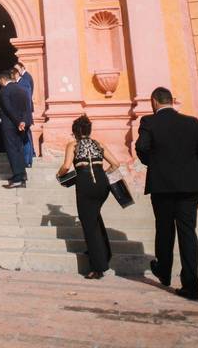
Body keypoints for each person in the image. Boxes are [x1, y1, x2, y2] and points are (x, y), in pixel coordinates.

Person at [136, 86, 198, 300]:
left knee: (164, 229)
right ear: (171, 100)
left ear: (154, 102)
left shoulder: (149, 122)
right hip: (190, 186)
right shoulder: (192, 122)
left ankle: (164, 271)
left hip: (162, 186)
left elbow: (142, 147)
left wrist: (155, 163)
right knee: (188, 233)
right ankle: (191, 285)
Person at [59, 115, 121, 279]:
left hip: (85, 184)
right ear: (89, 131)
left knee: (89, 224)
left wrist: (59, 175)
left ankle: (98, 267)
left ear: (75, 132)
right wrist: (103, 175)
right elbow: (116, 164)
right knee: (94, 217)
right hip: (102, 185)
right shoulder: (98, 144)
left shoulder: (73, 145)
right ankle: (104, 252)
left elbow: (66, 166)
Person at [0, 69, 29, 189]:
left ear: (2, 80)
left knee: (12, 151)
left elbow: (8, 108)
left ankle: (18, 178)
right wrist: (23, 122)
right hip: (21, 124)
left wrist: (17, 122)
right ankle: (22, 174)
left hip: (10, 125)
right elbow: (27, 107)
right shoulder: (21, 89)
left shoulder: (5, 90)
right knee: (19, 149)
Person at [15, 62, 36, 168]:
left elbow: (27, 98)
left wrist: (25, 115)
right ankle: (29, 157)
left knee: (26, 136)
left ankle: (28, 158)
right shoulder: (24, 79)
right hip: (25, 112)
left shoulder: (25, 79)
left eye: (17, 69)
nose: (16, 71)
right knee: (26, 135)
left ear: (22, 68)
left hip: (24, 113)